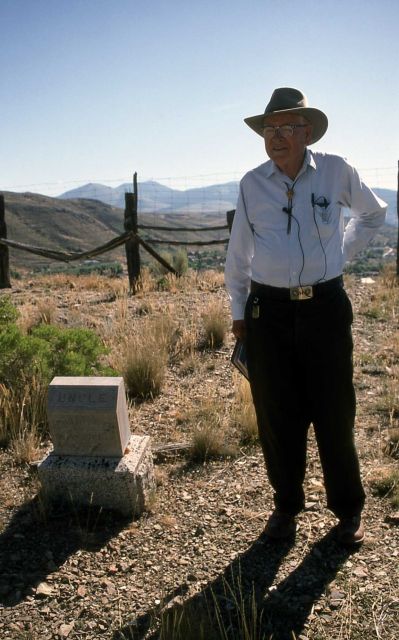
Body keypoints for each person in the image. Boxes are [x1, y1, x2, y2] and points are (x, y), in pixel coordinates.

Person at [225, 87, 387, 545]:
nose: (276, 137)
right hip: (268, 313)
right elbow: (238, 256)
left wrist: (340, 252)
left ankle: (348, 511)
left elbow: (373, 215)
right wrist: (239, 312)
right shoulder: (251, 183)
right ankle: (286, 508)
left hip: (325, 309)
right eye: (269, 129)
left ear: (307, 131)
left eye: (286, 127)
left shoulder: (336, 171)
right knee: (276, 414)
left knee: (335, 411)